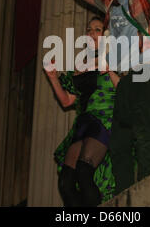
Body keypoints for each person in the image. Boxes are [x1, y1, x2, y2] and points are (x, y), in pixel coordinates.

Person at [44, 0, 150, 195]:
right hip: (124, 76)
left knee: (141, 125)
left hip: (146, 68)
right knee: (120, 136)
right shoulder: (111, 6)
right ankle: (123, 193)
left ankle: (148, 185)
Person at [44, 16, 121, 207]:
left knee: (84, 172)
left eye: (97, 29)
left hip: (104, 119)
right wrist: (53, 78)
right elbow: (66, 100)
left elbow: (123, 91)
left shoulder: (114, 57)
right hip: (83, 124)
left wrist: (110, 68)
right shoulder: (79, 66)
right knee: (66, 182)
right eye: (89, 29)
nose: (91, 33)